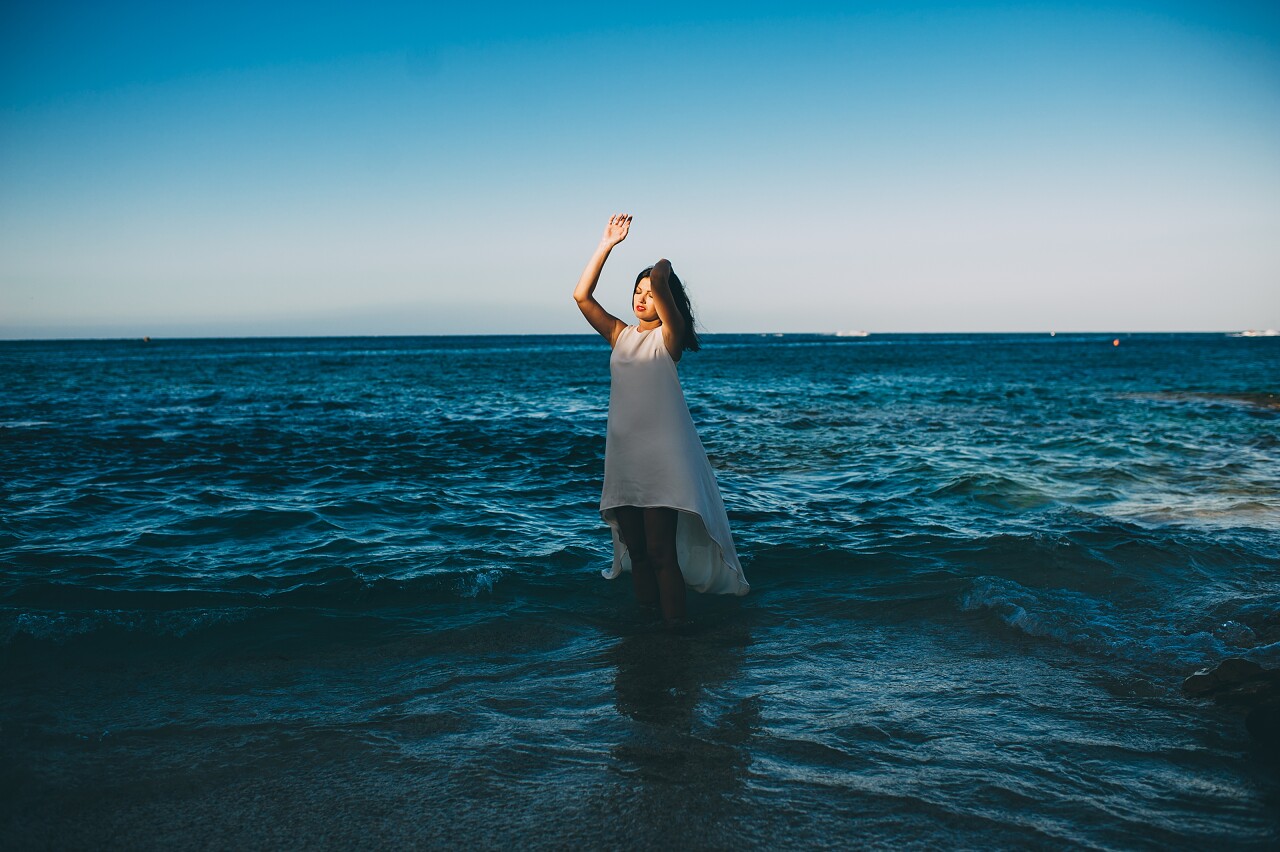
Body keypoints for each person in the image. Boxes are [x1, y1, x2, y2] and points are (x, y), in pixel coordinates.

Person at [573, 213, 750, 626]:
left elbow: (664, 288)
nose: (641, 298)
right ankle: (647, 629)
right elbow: (582, 297)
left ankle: (675, 637)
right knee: (637, 551)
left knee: (659, 552)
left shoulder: (667, 339)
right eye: (637, 292)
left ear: (664, 298)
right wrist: (606, 245)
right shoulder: (620, 334)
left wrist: (661, 268)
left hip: (660, 458)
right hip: (623, 455)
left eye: (649, 293)